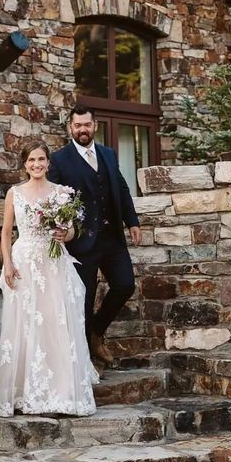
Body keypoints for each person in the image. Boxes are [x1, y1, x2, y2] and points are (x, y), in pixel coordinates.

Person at [0, 138, 97, 417]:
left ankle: (61, 391)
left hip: (53, 263)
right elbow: (5, 232)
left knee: (54, 322)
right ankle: (23, 392)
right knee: (26, 324)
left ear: (48, 163)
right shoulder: (15, 193)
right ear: (24, 165)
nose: (36, 164)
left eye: (41, 159)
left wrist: (66, 234)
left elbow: (73, 230)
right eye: (31, 160)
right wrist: (7, 264)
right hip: (25, 262)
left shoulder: (61, 193)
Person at [48, 104, 141, 368]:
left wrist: (132, 221)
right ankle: (85, 364)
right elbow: (53, 200)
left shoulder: (108, 154)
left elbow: (121, 188)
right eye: (77, 125)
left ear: (95, 125)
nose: (82, 130)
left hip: (112, 237)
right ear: (70, 127)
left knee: (125, 285)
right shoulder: (59, 159)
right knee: (84, 300)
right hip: (81, 242)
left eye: (87, 125)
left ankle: (96, 332)